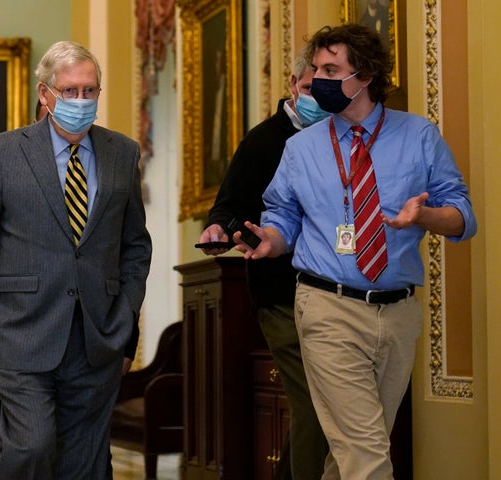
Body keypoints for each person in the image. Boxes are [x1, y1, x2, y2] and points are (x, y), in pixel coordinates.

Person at [235, 24, 477, 479]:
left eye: (332, 70)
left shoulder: (419, 136)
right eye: (317, 69)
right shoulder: (300, 148)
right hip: (327, 308)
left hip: (399, 312)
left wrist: (423, 217)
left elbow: (463, 216)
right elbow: (282, 216)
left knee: (354, 449)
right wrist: (271, 240)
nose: (320, 79)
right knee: (366, 454)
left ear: (364, 76)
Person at [0, 40, 152, 479]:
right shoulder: (4, 152)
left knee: (87, 461)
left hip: (98, 335)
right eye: (70, 91)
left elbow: (135, 245)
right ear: (45, 94)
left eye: (89, 91)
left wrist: (126, 319)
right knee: (32, 445)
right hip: (21, 330)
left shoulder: (122, 153)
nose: (81, 101)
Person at [199, 49, 328, 480]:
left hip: (333, 293)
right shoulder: (263, 140)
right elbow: (228, 208)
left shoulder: (341, 135)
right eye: (310, 87)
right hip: (280, 295)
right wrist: (222, 230)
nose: (317, 95)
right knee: (315, 400)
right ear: (294, 86)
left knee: (329, 403)